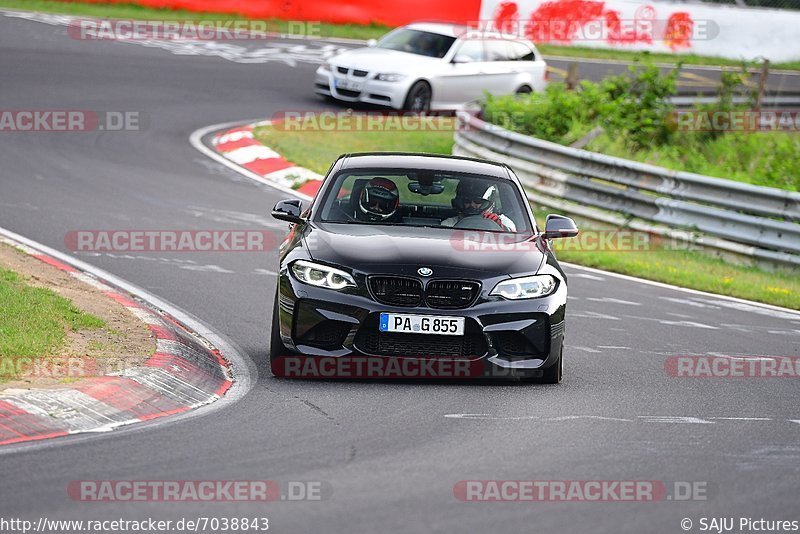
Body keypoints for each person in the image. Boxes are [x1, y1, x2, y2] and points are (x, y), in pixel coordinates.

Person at [441, 180, 516, 231]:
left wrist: (500, 227)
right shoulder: (449, 224)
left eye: (477, 201)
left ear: (488, 202)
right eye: (467, 201)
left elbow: (515, 242)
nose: (472, 205)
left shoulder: (504, 222)